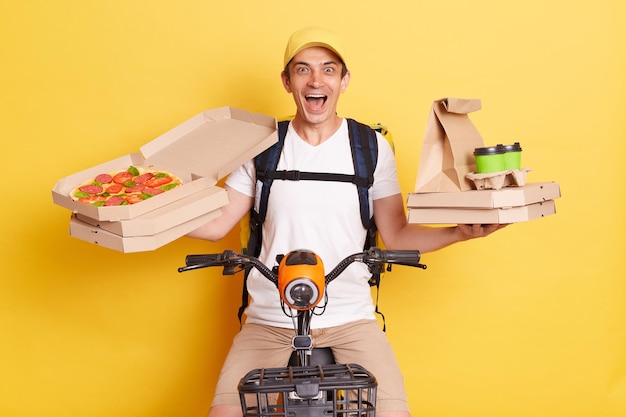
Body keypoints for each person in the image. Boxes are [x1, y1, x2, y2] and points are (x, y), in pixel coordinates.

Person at [188, 26, 505, 417]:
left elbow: (396, 234)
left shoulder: (370, 147)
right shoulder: (262, 146)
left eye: (328, 69)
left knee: (393, 413)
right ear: (287, 82)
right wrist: (149, 213)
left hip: (351, 319)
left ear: (343, 80)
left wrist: (459, 232)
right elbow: (217, 224)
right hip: (269, 320)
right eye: (302, 70)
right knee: (224, 413)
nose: (316, 80)